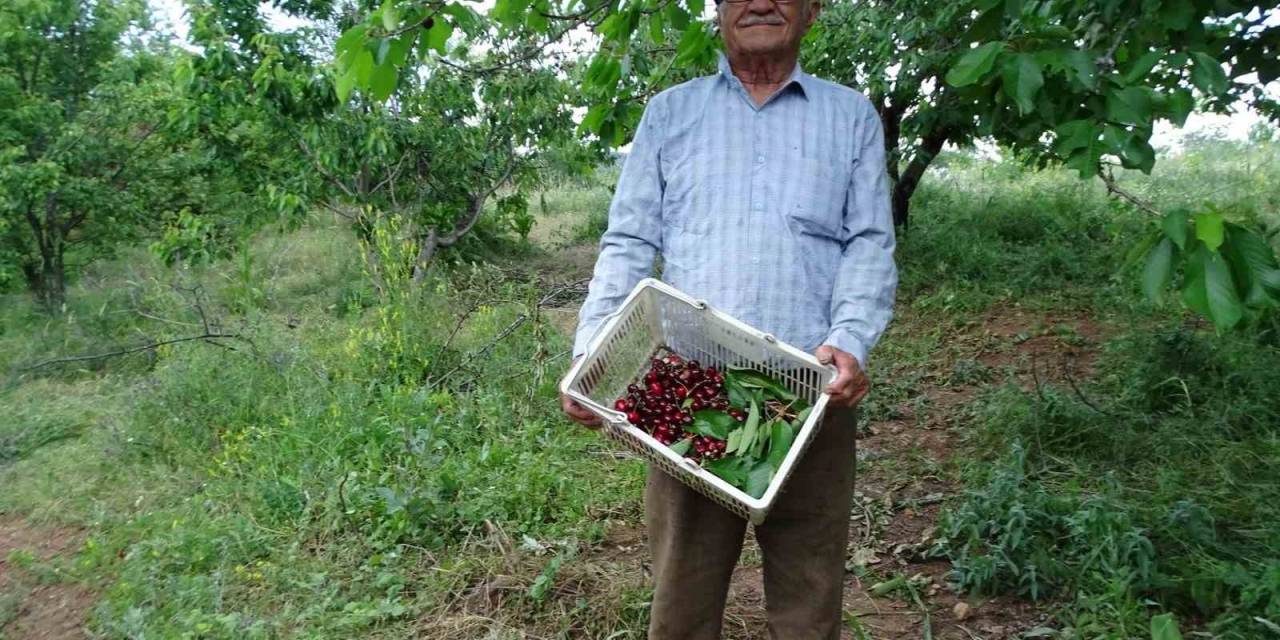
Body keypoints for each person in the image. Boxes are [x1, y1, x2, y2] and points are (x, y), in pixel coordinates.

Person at [561, 0, 897, 634]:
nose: (761, 3)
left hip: (811, 389)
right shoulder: (671, 113)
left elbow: (869, 242)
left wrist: (851, 339)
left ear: (812, 12)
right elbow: (629, 240)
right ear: (717, 10)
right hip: (691, 387)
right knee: (682, 598)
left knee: (809, 596)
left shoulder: (849, 115)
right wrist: (592, 350)